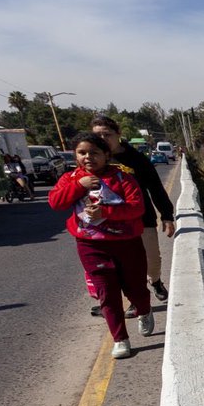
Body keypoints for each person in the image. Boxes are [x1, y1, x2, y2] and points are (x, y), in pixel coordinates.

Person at [48, 134, 153, 359]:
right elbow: (56, 202)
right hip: (90, 245)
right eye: (82, 153)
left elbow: (137, 208)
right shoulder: (71, 178)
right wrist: (78, 186)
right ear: (75, 155)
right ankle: (120, 339)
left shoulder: (123, 178)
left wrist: (106, 212)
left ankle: (144, 310)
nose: (88, 157)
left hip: (127, 243)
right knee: (107, 293)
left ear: (106, 155)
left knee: (136, 288)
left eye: (94, 153)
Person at [89, 116, 175, 318]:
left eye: (107, 134)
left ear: (118, 135)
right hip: (106, 223)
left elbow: (155, 187)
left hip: (140, 220)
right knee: (116, 268)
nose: (102, 138)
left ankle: (155, 281)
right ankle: (123, 304)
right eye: (97, 135)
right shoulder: (94, 160)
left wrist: (167, 216)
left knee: (151, 259)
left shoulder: (136, 159)